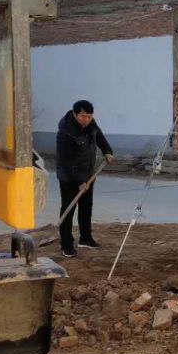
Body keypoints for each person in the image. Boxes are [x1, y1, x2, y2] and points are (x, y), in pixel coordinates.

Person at [55, 100, 114, 258]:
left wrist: (107, 151)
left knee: (86, 206)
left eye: (89, 116)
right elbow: (67, 160)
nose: (86, 120)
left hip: (87, 173)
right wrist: (79, 181)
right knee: (69, 208)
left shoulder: (91, 124)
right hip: (69, 176)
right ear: (75, 114)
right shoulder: (66, 132)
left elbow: (99, 135)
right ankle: (66, 244)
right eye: (83, 116)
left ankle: (85, 238)